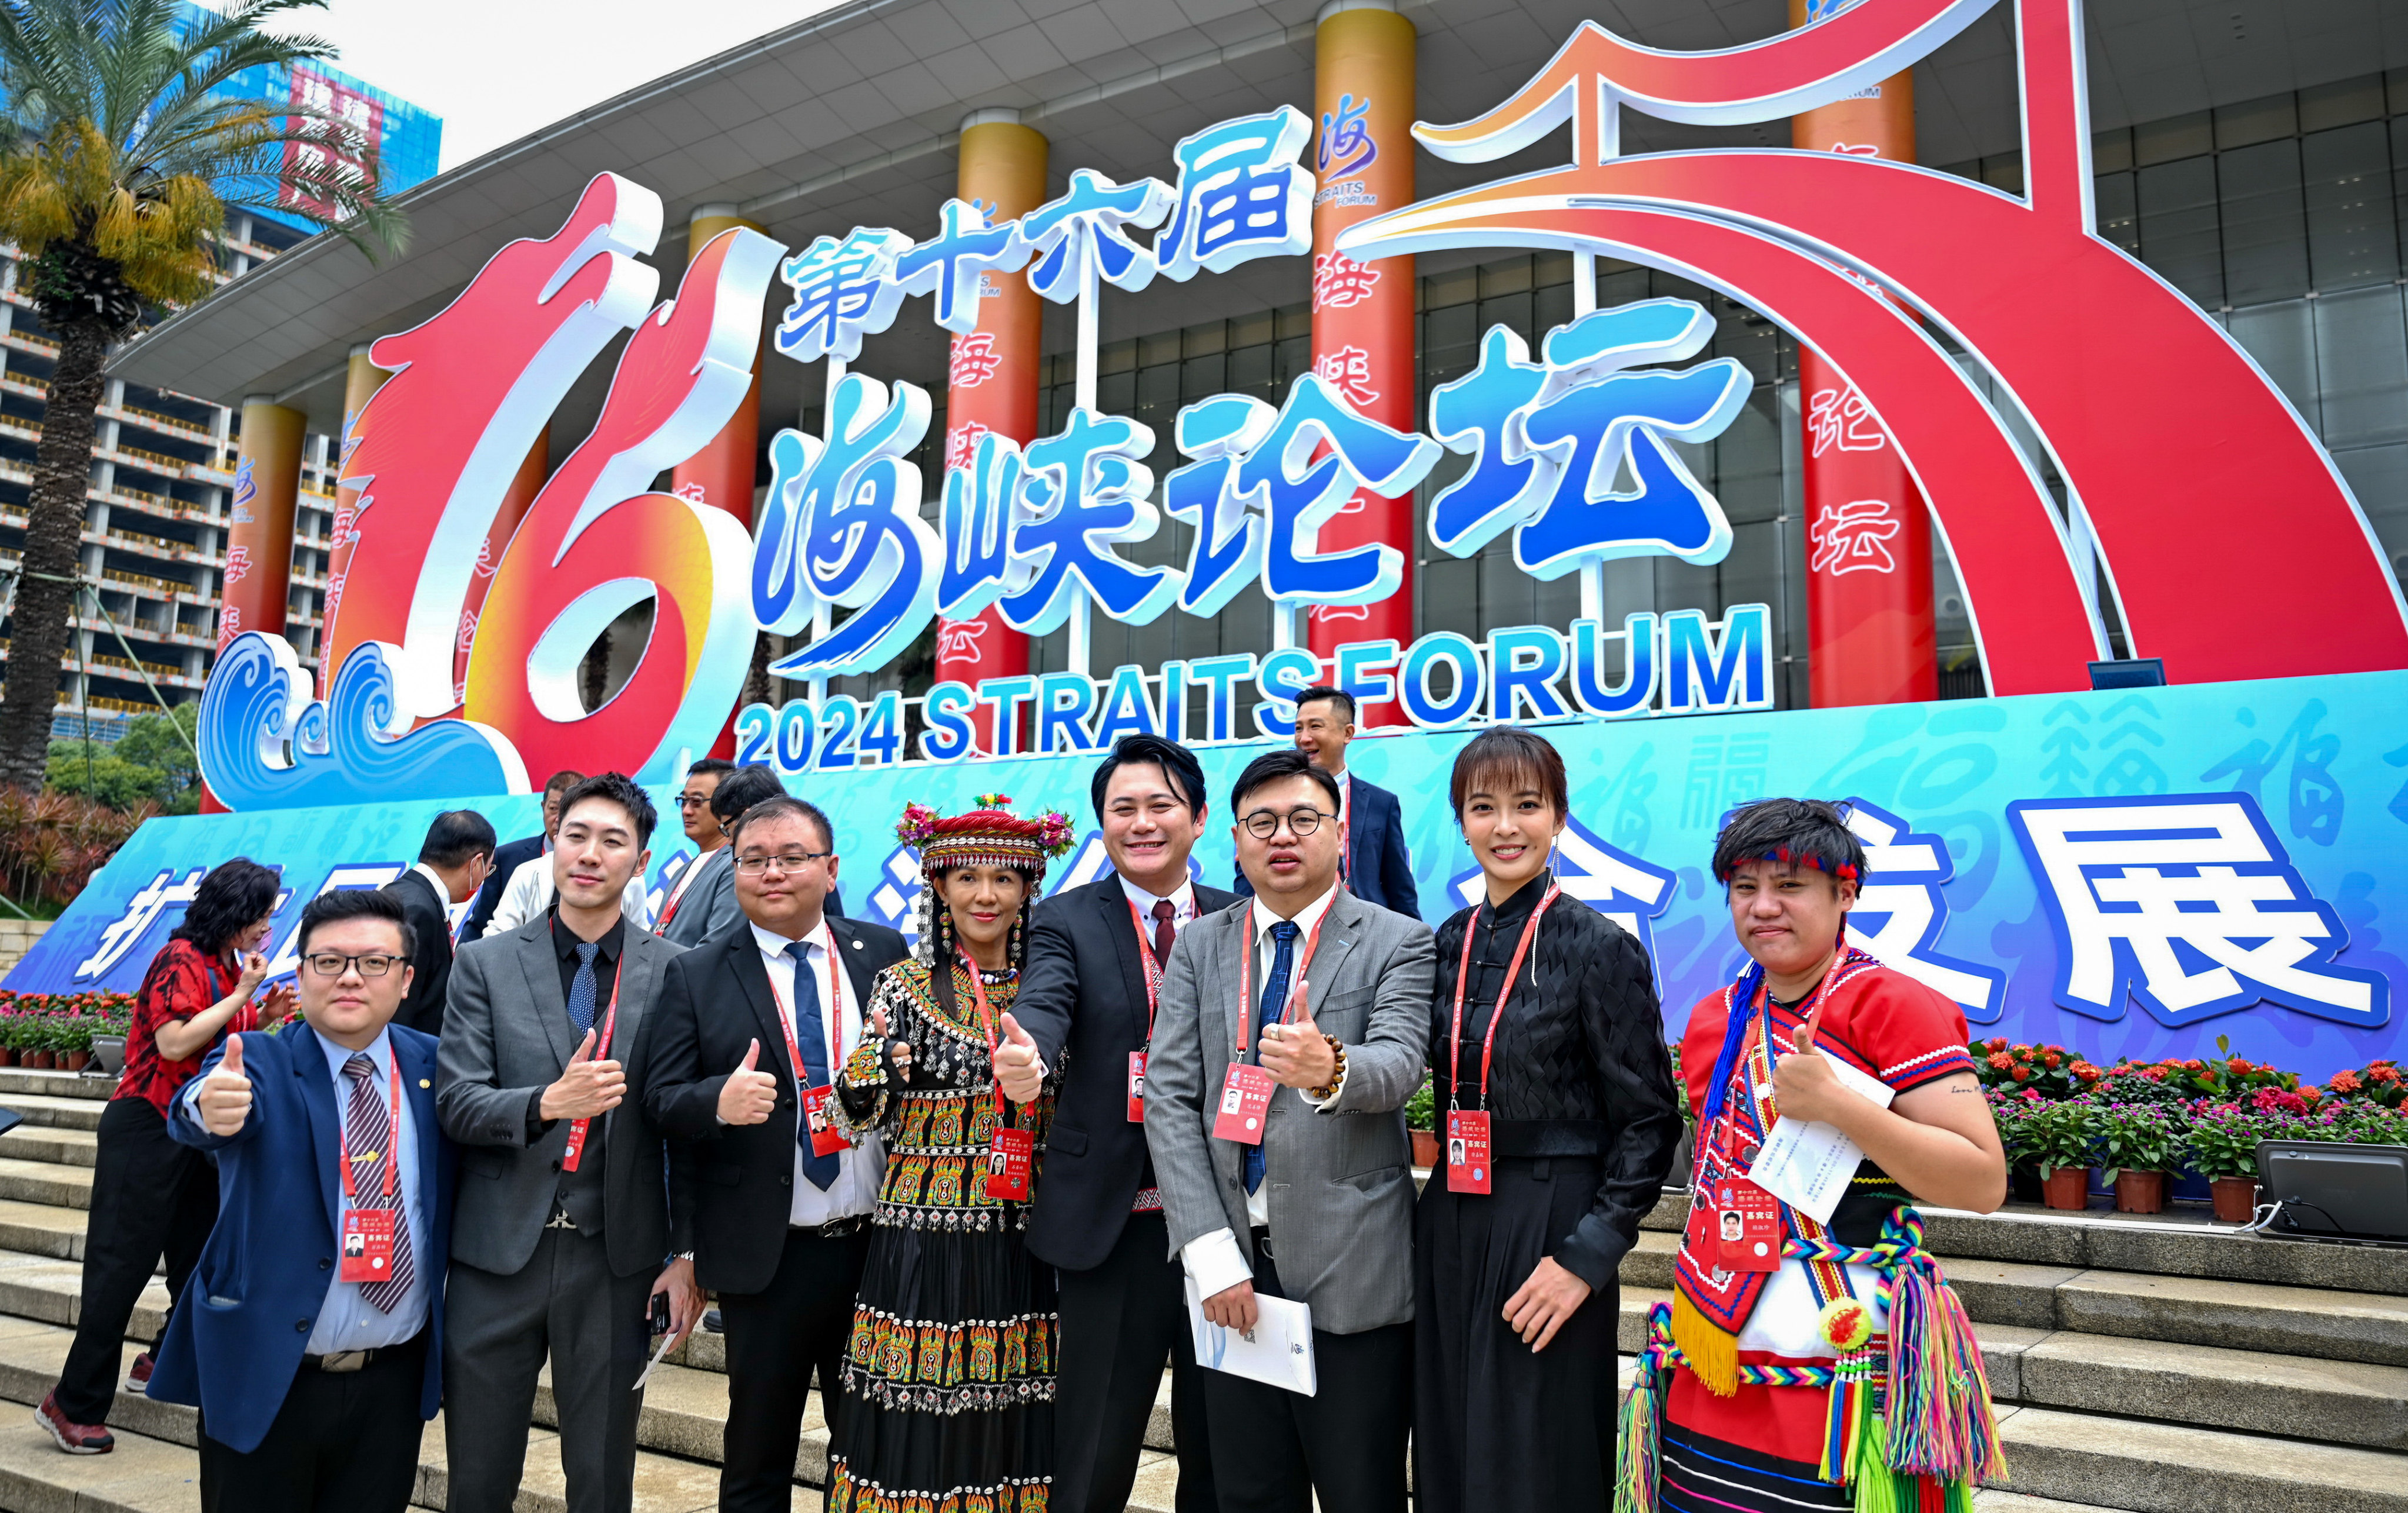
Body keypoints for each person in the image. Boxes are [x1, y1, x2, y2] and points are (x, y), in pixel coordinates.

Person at [1621, 798, 2007, 1513]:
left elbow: (1983, 1179)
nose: (1764, 906)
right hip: (1716, 1326)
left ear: (1846, 893)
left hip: (1841, 1340)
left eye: (1791, 884)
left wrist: (1841, 1105)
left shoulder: (1892, 1002)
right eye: (1745, 887)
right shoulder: (1716, 1015)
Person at [1144, 748, 1435, 1513]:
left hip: (1349, 1271)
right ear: (1235, 840)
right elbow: (1171, 1099)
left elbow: (1402, 1065)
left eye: (1303, 818)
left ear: (1338, 833)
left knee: (1358, 1490)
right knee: (1248, 1491)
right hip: (1231, 1274)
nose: (1282, 835)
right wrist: (1208, 1253)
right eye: (1261, 822)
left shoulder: (1396, 939)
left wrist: (1328, 1067)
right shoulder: (1204, 944)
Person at [1412, 728, 1682, 1513]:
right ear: (1460, 821)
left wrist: (1588, 1254)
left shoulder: (1600, 947)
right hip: (1450, 1213)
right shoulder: (1449, 941)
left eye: (1526, 806)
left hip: (1551, 1218)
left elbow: (1648, 1121)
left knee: (1536, 1444)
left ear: (1558, 817)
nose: (1504, 826)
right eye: (1482, 806)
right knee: (1447, 1432)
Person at [436, 773, 703, 1513]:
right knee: (479, 1478)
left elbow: (684, 1129)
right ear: (552, 843)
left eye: (613, 841)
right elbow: (456, 1100)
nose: (590, 854)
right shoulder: (484, 964)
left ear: (641, 861)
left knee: (602, 1476)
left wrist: (686, 1256)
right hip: (496, 1254)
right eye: (576, 836)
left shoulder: (677, 968)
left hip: (616, 1259)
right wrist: (547, 1102)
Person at [149, 889, 458, 1511]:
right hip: (270, 1375)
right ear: (302, 969)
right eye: (328, 960)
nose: (350, 976)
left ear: (406, 981)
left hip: (392, 1382)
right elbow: (202, 1104)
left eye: (374, 962)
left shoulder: (435, 1066)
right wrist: (208, 1104)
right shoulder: (262, 1059)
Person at [643, 795, 907, 1512]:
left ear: (830, 868)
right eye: (753, 859)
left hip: (876, 1251)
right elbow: (659, 1099)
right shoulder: (696, 973)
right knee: (759, 1452)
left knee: (875, 1450)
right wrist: (714, 1103)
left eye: (792, 857)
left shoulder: (883, 953)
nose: (772, 872)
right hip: (769, 1256)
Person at [995, 734, 1234, 1513]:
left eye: (1159, 805)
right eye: (1121, 808)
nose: (1141, 822)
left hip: (1228, 1226)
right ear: (1100, 823)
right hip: (1113, 1225)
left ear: (1198, 818)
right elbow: (1045, 1002)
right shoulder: (1065, 919)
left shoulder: (1242, 919)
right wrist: (1028, 1058)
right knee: (1093, 1445)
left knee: (1225, 1448)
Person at [825, 797, 1074, 1513]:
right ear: (937, 885)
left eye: (1004, 878)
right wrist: (876, 1070)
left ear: (1029, 886)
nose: (986, 894)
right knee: (917, 1403)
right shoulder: (902, 985)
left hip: (1024, 1227)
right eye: (966, 877)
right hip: (920, 1230)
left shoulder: (1050, 987)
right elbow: (852, 1115)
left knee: (1016, 1392)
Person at [38, 857, 294, 1454]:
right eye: (259, 915)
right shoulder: (179, 958)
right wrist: (246, 995)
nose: (265, 926)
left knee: (200, 1259)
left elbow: (219, 1031)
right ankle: (71, 1403)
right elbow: (176, 1039)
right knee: (118, 1270)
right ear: (234, 914)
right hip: (146, 1127)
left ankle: (163, 1357)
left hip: (196, 1132)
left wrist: (264, 1012)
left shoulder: (223, 964)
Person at [1233, 686, 1419, 919]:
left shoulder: (1382, 803)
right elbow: (1246, 880)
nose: (1304, 738)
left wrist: (1414, 939)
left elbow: (1399, 885)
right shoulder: (1269, 797)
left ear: (1348, 733)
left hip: (1367, 929)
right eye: (1299, 728)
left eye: (1315, 726)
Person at [384, 809, 498, 1036]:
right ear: (476, 863)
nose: (485, 877)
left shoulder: (403, 893)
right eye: (489, 868)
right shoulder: (419, 910)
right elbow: (400, 1005)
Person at [463, 769, 584, 942]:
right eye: (553, 809)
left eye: (569, 810)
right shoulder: (506, 858)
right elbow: (480, 924)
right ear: (543, 807)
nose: (559, 818)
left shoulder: (596, 863)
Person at [652, 757, 736, 944]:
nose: (686, 811)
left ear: (727, 804)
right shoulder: (681, 872)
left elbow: (716, 945)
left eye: (696, 802)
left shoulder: (734, 864)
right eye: (683, 800)